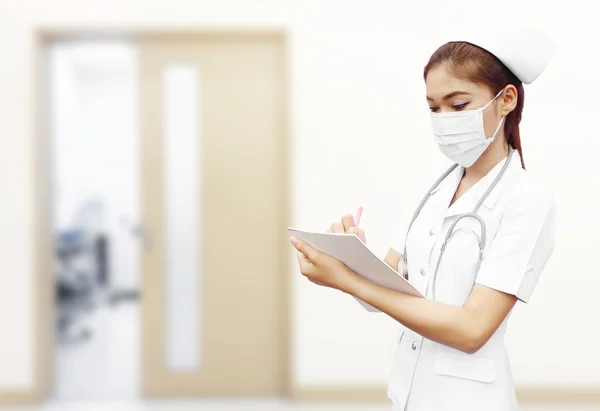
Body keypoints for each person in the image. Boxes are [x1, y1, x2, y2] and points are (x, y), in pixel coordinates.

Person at [289, 20, 557, 411]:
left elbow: (471, 330)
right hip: (409, 394)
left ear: (507, 99)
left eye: (459, 104)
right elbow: (390, 291)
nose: (445, 118)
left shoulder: (528, 199)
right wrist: (351, 256)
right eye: (434, 107)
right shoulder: (432, 189)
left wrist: (349, 281)